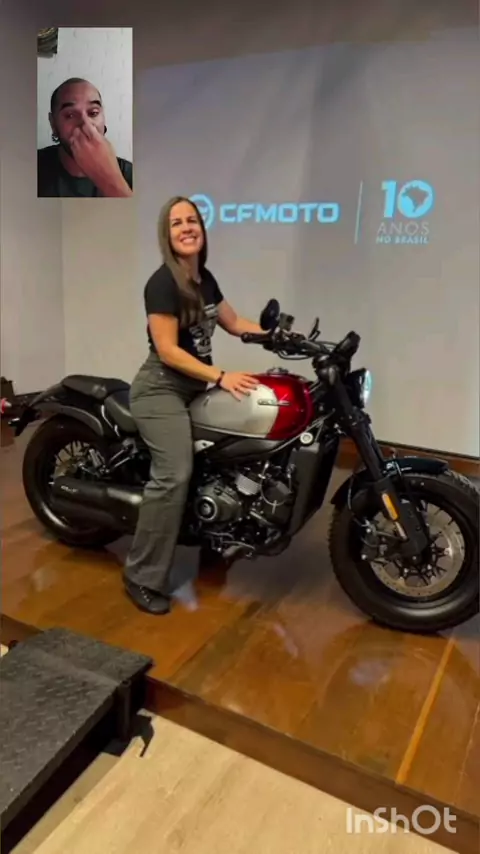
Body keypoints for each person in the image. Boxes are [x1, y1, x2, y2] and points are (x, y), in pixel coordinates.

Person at [124, 195, 264, 615]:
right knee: (174, 474)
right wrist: (220, 376)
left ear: (202, 228)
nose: (186, 228)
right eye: (176, 223)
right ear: (166, 235)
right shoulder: (162, 283)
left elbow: (235, 323)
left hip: (194, 386)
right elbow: (168, 351)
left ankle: (214, 531)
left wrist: (278, 335)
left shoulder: (205, 279)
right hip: (161, 388)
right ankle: (142, 575)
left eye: (192, 220)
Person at [37, 77, 133, 198]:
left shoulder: (130, 175)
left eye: (93, 113)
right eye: (70, 115)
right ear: (53, 123)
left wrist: (111, 182)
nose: (85, 125)